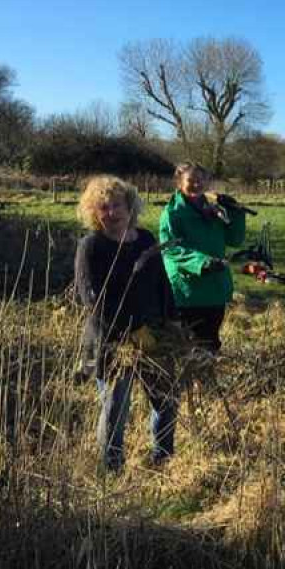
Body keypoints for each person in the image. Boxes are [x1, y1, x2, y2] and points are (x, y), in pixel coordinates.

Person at [74, 175, 178, 471]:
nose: (112, 213)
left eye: (116, 205)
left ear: (129, 206)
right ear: (93, 212)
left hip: (154, 337)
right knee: (116, 408)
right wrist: (130, 331)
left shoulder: (144, 240)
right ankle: (112, 468)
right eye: (103, 208)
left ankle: (163, 460)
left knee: (166, 400)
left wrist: (172, 321)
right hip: (111, 341)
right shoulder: (91, 246)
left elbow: (162, 282)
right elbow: (92, 299)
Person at [159, 163, 247, 353]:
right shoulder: (173, 213)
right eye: (191, 180)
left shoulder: (214, 210)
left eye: (201, 180)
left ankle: (206, 382)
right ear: (180, 183)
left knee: (211, 344)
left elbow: (235, 240)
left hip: (215, 290)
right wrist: (202, 263)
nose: (197, 184)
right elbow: (171, 249)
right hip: (187, 292)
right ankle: (189, 382)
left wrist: (236, 213)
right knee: (187, 348)